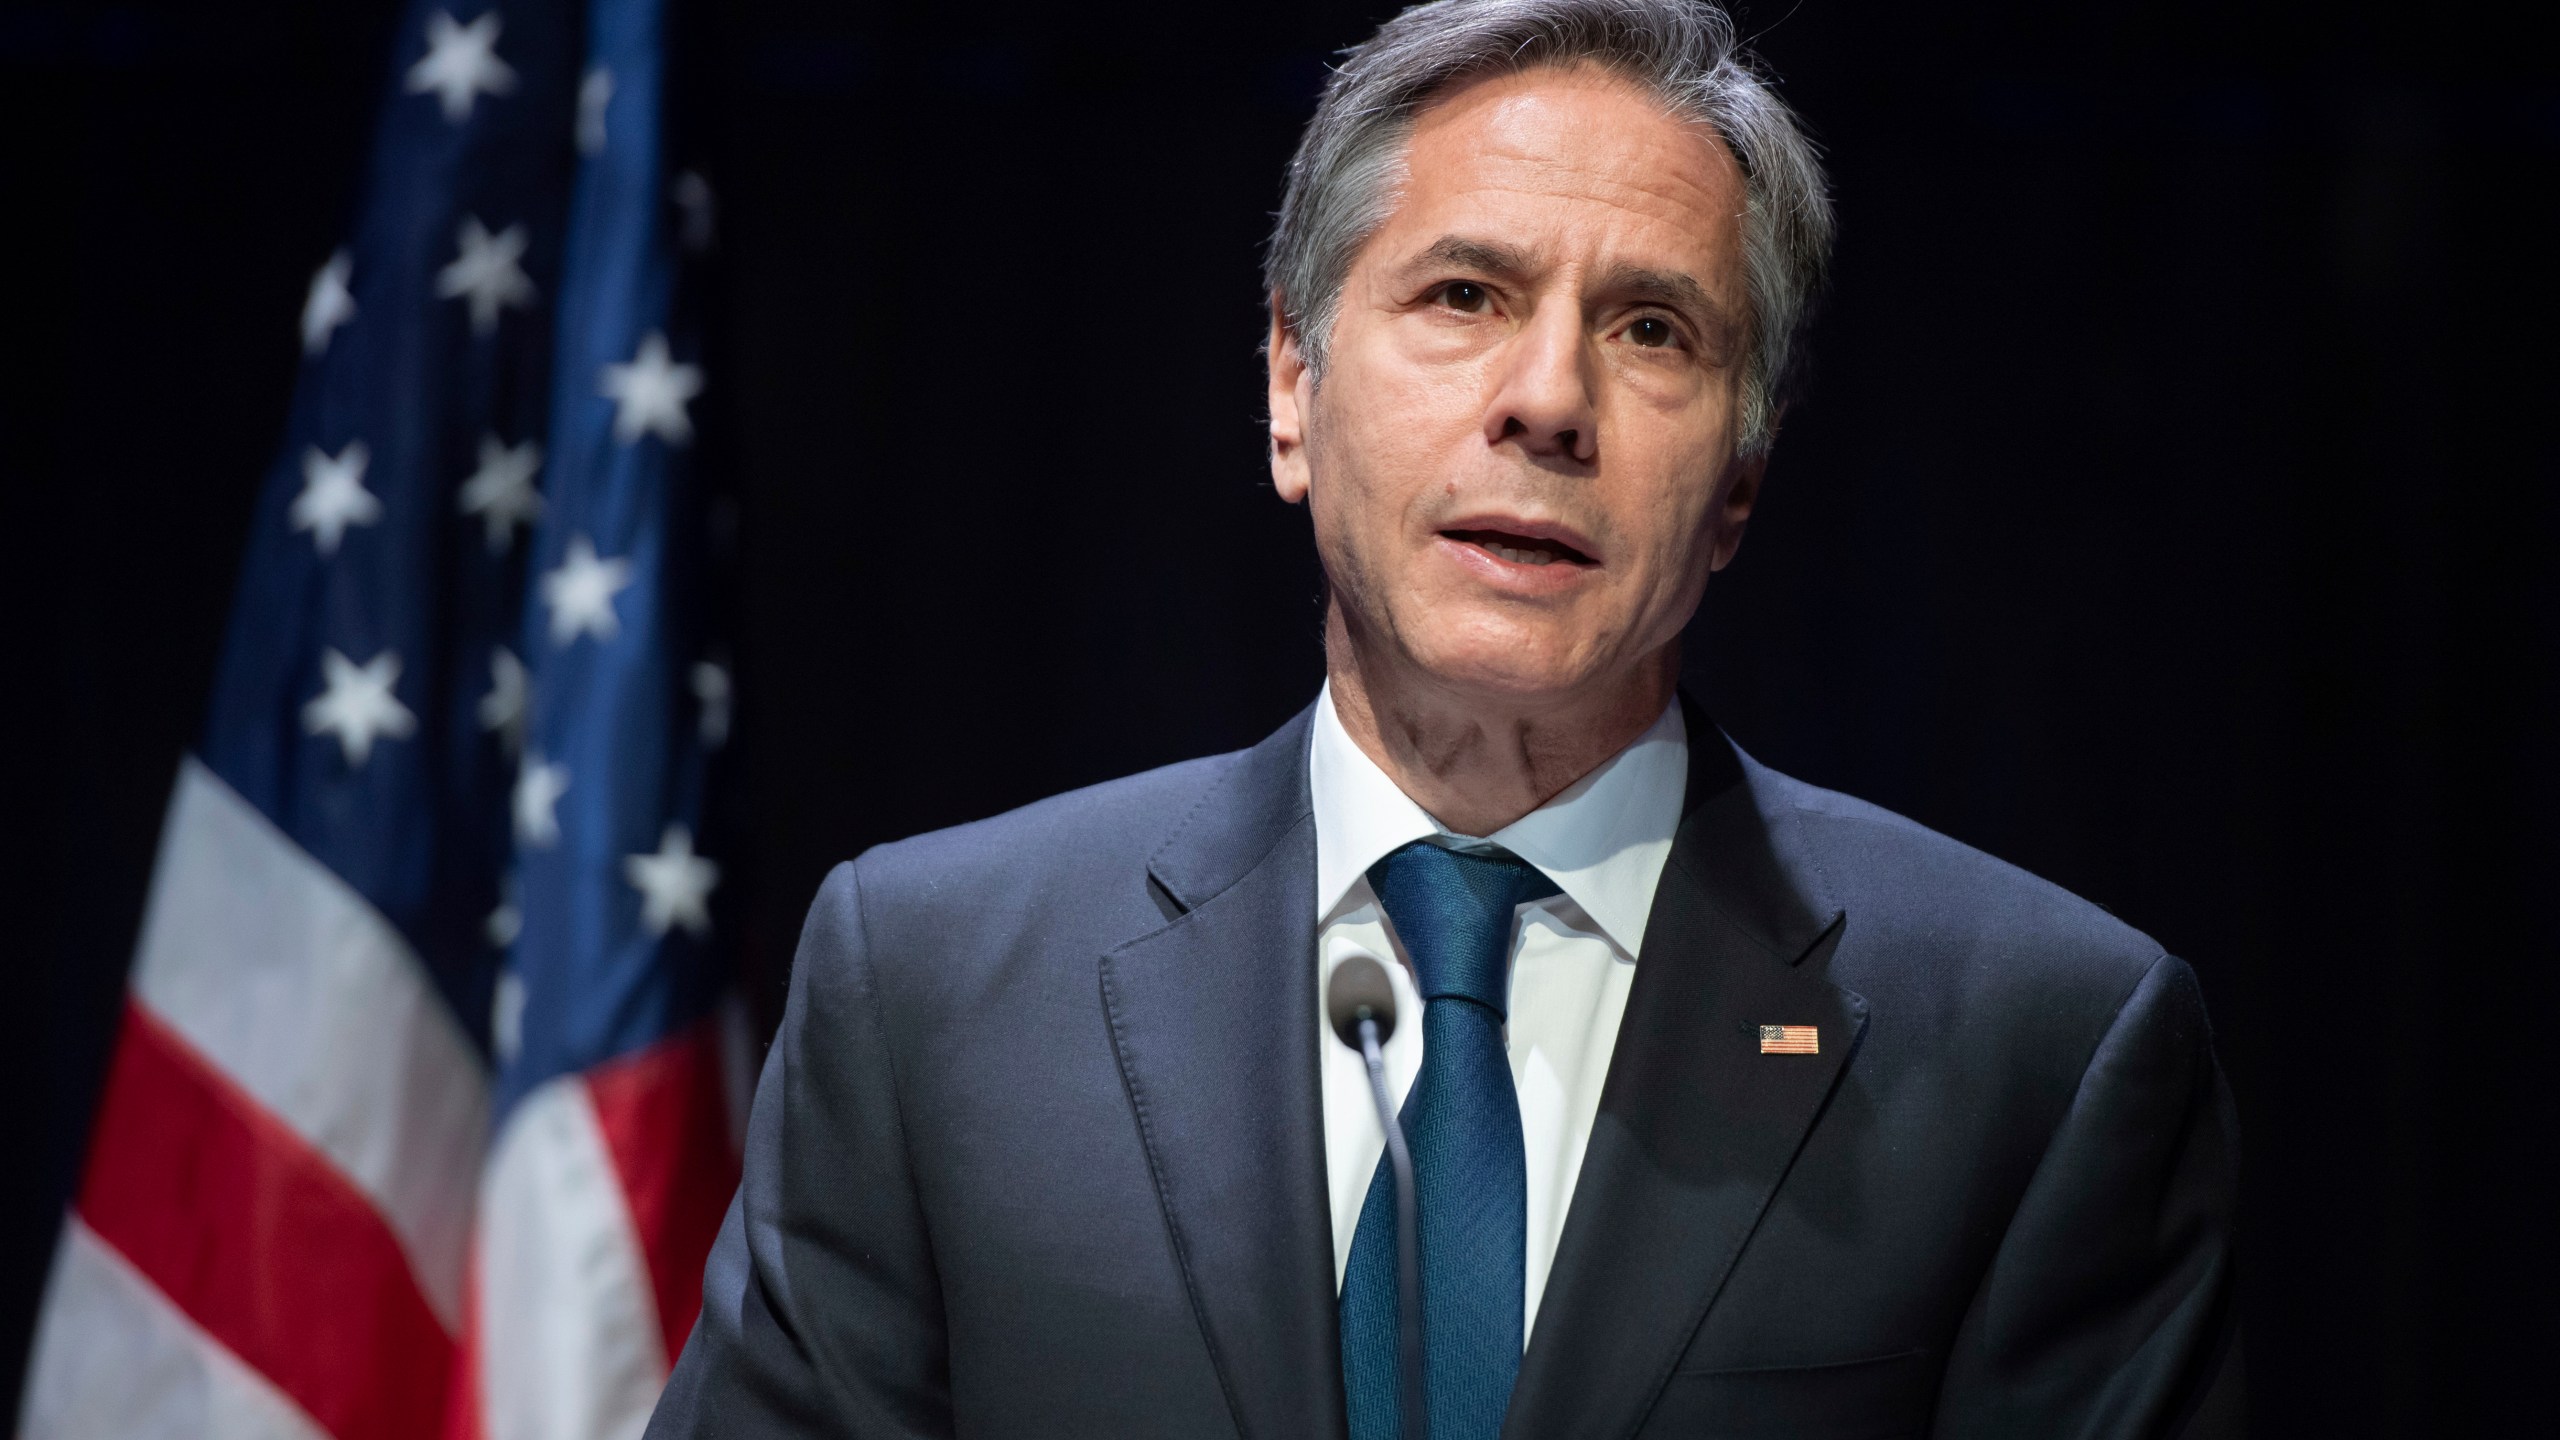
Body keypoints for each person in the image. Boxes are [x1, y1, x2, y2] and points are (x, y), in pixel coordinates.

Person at [645, 1, 2241, 1435]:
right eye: (1466, 293)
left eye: (1652, 330)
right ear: (1291, 384)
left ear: (1740, 484)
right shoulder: (936, 983)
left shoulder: (2040, 1047)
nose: (1549, 399)